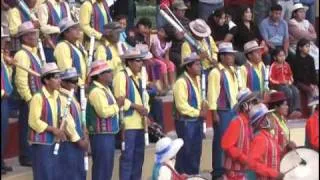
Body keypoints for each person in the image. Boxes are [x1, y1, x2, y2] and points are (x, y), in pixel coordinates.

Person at [113, 48, 150, 180]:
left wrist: (146, 111)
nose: (141, 64)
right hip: (128, 124)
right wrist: (136, 107)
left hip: (140, 123)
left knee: (139, 158)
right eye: (138, 61)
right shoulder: (121, 76)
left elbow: (145, 99)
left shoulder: (140, 78)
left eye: (141, 61)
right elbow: (119, 99)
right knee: (127, 158)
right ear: (129, 62)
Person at [28, 63, 67, 180]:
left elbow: (62, 115)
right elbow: (33, 121)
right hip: (42, 144)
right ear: (46, 80)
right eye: (56, 77)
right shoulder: (38, 97)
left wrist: (62, 126)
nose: (59, 80)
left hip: (55, 142)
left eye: (60, 77)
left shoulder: (58, 95)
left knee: (55, 174)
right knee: (44, 174)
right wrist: (53, 129)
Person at [14, 21, 43, 167]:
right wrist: (29, 98)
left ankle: (31, 154)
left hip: (36, 97)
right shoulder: (22, 54)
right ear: (24, 38)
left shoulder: (34, 52)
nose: (35, 36)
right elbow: (21, 80)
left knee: (33, 126)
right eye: (32, 34)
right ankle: (25, 156)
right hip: (29, 98)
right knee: (26, 126)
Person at [173, 52, 208, 175]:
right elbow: (181, 106)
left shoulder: (197, 79)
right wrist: (199, 112)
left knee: (196, 153)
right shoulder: (181, 82)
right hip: (186, 123)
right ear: (188, 67)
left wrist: (204, 104)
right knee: (186, 154)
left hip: (195, 121)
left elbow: (198, 98)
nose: (200, 67)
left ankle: (193, 176)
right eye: (197, 65)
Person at [87, 61, 122, 180]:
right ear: (100, 75)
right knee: (102, 168)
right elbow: (103, 112)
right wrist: (117, 105)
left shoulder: (105, 89)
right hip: (100, 135)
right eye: (108, 72)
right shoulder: (96, 91)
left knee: (107, 167)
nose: (111, 73)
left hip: (107, 134)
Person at [207, 42, 238, 178]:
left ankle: (228, 168)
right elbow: (212, 94)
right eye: (229, 55)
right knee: (220, 141)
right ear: (222, 57)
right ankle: (218, 171)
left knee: (231, 141)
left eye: (232, 55)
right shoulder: (215, 72)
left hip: (233, 110)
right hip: (222, 111)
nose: (232, 57)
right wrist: (214, 113)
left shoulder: (232, 71)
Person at [221, 88, 259, 179]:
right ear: (245, 106)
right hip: (235, 171)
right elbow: (227, 146)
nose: (256, 105)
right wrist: (243, 158)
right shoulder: (237, 122)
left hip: (246, 170)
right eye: (253, 102)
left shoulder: (250, 122)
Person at [59, 68, 89, 180]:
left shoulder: (72, 96)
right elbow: (67, 122)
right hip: (70, 143)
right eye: (72, 81)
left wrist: (85, 135)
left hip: (79, 140)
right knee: (71, 174)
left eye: (77, 81)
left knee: (80, 173)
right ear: (63, 82)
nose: (76, 84)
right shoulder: (62, 97)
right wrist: (79, 141)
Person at [248, 103, 284, 180]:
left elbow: (276, 155)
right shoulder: (260, 139)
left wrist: (287, 149)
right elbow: (253, 163)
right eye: (269, 116)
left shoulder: (269, 136)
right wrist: (273, 173)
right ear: (263, 122)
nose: (273, 119)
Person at [54, 18, 87, 87]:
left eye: (77, 28)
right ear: (66, 33)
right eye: (74, 28)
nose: (78, 30)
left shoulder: (78, 44)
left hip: (82, 85)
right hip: (73, 87)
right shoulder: (62, 46)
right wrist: (82, 85)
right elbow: (67, 71)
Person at [269, 48, 302, 118]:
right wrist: (280, 82)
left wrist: (290, 81)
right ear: (275, 57)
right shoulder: (273, 66)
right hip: (278, 85)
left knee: (296, 90)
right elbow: (270, 78)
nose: (282, 57)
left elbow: (291, 75)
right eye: (280, 56)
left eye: (283, 55)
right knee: (288, 91)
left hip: (287, 84)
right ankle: (290, 111)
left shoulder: (287, 65)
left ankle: (296, 109)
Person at [163, 1, 190, 72]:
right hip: (175, 50)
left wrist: (183, 33)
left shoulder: (187, 20)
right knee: (183, 60)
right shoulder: (169, 21)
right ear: (174, 10)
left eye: (184, 10)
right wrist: (185, 33)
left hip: (187, 48)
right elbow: (178, 36)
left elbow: (190, 34)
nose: (184, 12)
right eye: (181, 10)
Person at [289, 38, 318, 104]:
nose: (308, 49)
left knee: (315, 88)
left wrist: (314, 83)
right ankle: (311, 108)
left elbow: (313, 72)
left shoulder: (310, 59)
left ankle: (315, 108)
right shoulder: (295, 59)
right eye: (306, 46)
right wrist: (309, 84)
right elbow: (297, 75)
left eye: (309, 47)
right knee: (311, 90)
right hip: (299, 82)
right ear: (300, 48)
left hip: (309, 82)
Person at [1, 27, 14, 175]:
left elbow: (6, 76)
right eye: (3, 39)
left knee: (4, 131)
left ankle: (1, 160)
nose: (5, 42)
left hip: (5, 98)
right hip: (2, 96)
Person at [150, 27, 175, 93]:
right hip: (153, 58)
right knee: (163, 65)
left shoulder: (169, 42)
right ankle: (166, 85)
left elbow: (167, 54)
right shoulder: (155, 39)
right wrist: (163, 60)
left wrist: (167, 62)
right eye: (159, 31)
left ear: (166, 35)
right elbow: (153, 52)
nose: (158, 32)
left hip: (161, 58)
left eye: (161, 32)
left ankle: (172, 85)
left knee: (171, 65)